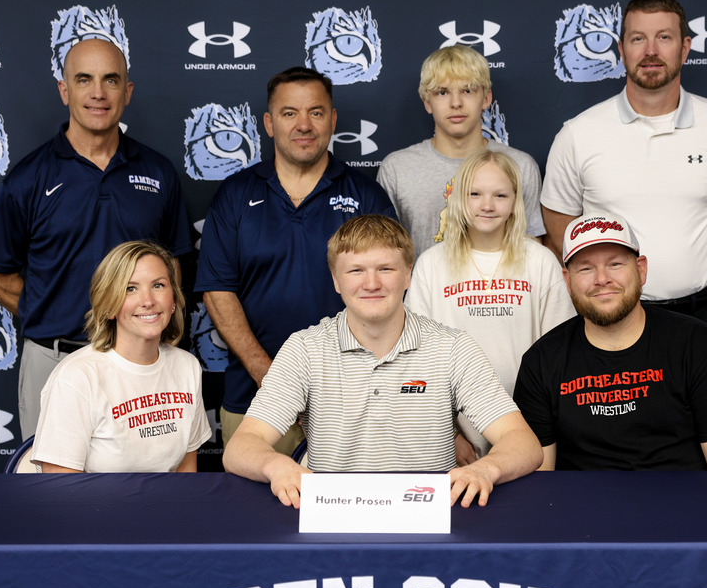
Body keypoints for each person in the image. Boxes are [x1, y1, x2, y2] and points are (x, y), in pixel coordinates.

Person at [224, 214, 543, 508]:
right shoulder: (305, 350)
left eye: (386, 269)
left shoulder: (452, 348)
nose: (372, 283)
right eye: (356, 270)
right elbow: (242, 446)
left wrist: (486, 469)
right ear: (336, 280)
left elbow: (523, 443)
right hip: (332, 518)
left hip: (430, 518)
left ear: (408, 275)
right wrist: (278, 466)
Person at [0, 38, 193, 439]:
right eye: (84, 80)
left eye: (111, 80)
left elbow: (173, 266)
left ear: (127, 91)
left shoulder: (159, 172)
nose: (98, 93)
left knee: (142, 475)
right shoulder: (27, 178)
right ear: (65, 90)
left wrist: (146, 326)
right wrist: (51, 312)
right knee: (49, 478)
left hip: (139, 360)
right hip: (53, 358)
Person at [195, 67, 396, 454]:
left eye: (315, 112)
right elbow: (218, 293)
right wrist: (272, 379)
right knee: (253, 496)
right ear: (269, 123)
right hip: (256, 399)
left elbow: (387, 294)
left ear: (332, 120)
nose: (304, 125)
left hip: (352, 401)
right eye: (289, 113)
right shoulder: (235, 195)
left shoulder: (367, 197)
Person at [540, 0, 707, 334]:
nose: (650, 51)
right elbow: (560, 236)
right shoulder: (577, 135)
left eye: (664, 37)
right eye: (638, 39)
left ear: (684, 48)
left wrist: (702, 294)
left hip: (699, 318)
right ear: (621, 49)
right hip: (610, 319)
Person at [513, 213, 707, 471]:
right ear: (568, 281)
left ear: (641, 270)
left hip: (683, 498)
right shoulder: (541, 362)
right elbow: (541, 481)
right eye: (586, 268)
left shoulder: (698, 346)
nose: (602, 278)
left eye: (615, 264)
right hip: (581, 499)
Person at [406, 149, 575, 462]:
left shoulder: (540, 261)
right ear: (459, 198)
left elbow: (560, 353)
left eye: (500, 195)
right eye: (475, 194)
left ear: (515, 201)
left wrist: (537, 428)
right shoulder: (431, 264)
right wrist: (450, 434)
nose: (487, 205)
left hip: (530, 424)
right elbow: (417, 357)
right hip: (454, 432)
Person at [30, 241, 211, 473]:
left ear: (173, 300)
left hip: (167, 498)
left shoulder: (187, 366)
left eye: (158, 285)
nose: (148, 301)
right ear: (108, 306)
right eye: (130, 289)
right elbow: (60, 487)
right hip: (95, 499)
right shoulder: (76, 377)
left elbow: (186, 471)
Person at [377, 45, 545, 257]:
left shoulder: (520, 166)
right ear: (427, 102)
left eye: (467, 90)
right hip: (423, 279)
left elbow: (532, 249)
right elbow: (384, 253)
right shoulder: (397, 169)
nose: (456, 103)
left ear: (486, 98)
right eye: (442, 92)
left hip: (500, 279)